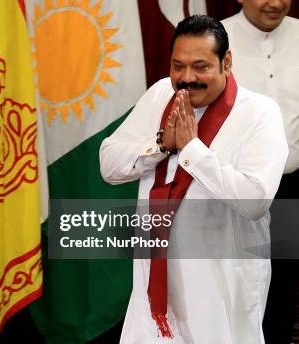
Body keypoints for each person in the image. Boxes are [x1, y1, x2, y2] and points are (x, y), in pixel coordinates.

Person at [100, 15, 287, 343]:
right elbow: (109, 165)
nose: (187, 78)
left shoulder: (260, 113)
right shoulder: (161, 94)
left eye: (200, 66)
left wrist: (192, 151)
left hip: (220, 286)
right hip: (153, 284)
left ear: (226, 62)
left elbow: (255, 200)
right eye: (178, 66)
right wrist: (160, 144)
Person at [222, 2, 299, 342]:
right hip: (237, 191)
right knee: (241, 290)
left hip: (292, 183)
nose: (276, 3)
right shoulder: (213, 38)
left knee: (282, 287)